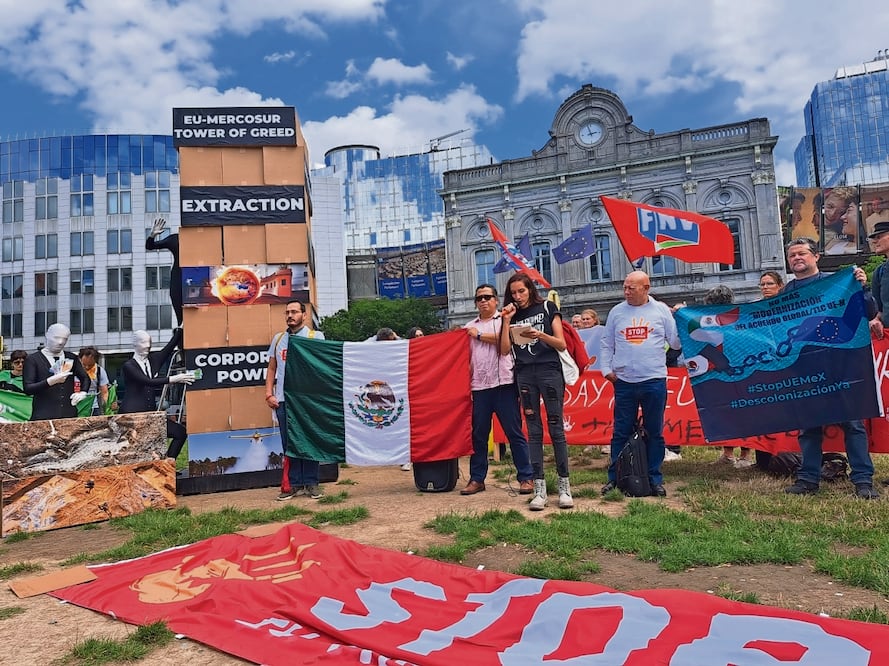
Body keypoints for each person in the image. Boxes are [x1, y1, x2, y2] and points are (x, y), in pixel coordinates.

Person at [782, 237, 879, 499]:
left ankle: (862, 481)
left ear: (816, 257)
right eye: (792, 255)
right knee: (809, 427)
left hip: (841, 366)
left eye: (802, 253)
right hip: (805, 368)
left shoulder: (840, 282)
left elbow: (869, 311)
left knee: (853, 424)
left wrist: (862, 287)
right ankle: (808, 480)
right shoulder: (786, 293)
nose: (796, 258)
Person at [600, 271, 680, 498]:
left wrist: (681, 318)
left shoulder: (660, 310)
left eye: (631, 288)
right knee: (620, 431)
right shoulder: (617, 312)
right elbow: (607, 344)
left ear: (646, 288)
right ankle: (614, 478)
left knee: (655, 431)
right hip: (624, 382)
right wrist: (607, 370)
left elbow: (674, 341)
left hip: (654, 380)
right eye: (624, 287)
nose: (626, 292)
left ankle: (654, 478)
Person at [500, 273, 573, 510]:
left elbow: (561, 343)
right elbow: (503, 350)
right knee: (533, 430)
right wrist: (506, 321)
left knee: (556, 427)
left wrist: (539, 334)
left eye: (521, 291)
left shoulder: (547, 307)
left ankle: (564, 486)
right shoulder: (512, 314)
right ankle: (539, 487)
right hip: (524, 373)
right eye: (513, 293)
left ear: (530, 289)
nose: (517, 296)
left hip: (549, 371)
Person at [460, 284, 535, 496]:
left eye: (487, 297)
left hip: (504, 384)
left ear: (495, 300)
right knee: (479, 435)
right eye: (479, 298)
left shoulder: (504, 320)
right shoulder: (468, 326)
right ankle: (477, 478)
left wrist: (478, 336)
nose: (483, 301)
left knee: (514, 432)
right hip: (479, 386)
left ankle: (526, 477)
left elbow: (509, 341)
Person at [265, 300, 325, 500]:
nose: (290, 315)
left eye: (294, 312)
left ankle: (311, 482)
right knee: (289, 443)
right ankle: (294, 484)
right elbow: (272, 368)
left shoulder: (315, 337)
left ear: (304, 315)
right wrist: (269, 393)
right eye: (287, 312)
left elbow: (321, 368)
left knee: (309, 440)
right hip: (283, 399)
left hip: (307, 400)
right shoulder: (278, 338)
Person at [700, 286, 754, 469]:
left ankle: (741, 454)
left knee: (736, 412)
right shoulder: (740, 317)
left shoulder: (731, 319)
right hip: (736, 372)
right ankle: (735, 454)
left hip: (733, 372)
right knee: (732, 412)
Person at [119, 328, 194, 459]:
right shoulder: (129, 366)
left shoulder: (153, 360)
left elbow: (169, 347)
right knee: (136, 450)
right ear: (135, 344)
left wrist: (181, 328)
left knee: (180, 433)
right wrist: (175, 378)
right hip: (133, 416)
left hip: (151, 416)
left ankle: (169, 465)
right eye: (143, 343)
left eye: (149, 342)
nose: (147, 346)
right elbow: (147, 381)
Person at [23, 323, 91, 421]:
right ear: (47, 335)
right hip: (43, 416)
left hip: (69, 415)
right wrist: (50, 381)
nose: (60, 342)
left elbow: (85, 377)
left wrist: (83, 392)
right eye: (56, 338)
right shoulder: (33, 359)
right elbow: (28, 388)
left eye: (65, 339)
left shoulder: (71, 357)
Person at [146, 217, 183, 326]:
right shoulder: (175, 239)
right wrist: (152, 235)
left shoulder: (203, 239)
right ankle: (180, 336)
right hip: (178, 282)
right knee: (181, 321)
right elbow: (150, 246)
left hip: (197, 280)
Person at [78, 346, 110, 416]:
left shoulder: (99, 371)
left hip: (93, 407)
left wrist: (109, 407)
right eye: (84, 364)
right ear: (80, 359)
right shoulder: (72, 370)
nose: (87, 367)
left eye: (90, 365)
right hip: (76, 406)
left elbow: (104, 392)